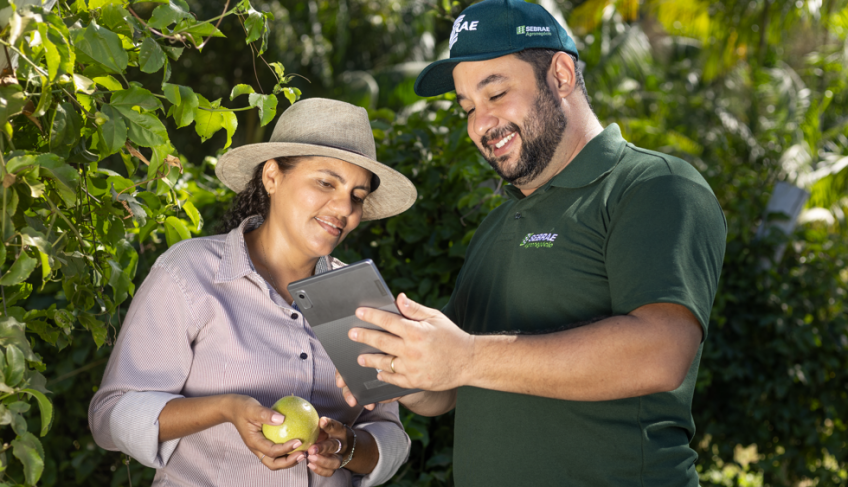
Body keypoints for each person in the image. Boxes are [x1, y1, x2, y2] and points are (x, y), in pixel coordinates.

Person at [338, 1, 727, 486]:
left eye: (496, 93)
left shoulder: (653, 187)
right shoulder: (496, 228)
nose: (481, 123)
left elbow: (661, 352)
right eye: (468, 108)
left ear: (561, 74)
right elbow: (451, 389)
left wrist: (466, 356)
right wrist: (399, 365)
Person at [89, 98, 417, 486]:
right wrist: (225, 409)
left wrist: (345, 449)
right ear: (273, 176)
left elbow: (389, 431)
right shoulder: (190, 273)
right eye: (325, 182)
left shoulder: (357, 298)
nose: (343, 207)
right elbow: (110, 416)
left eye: (357, 196)